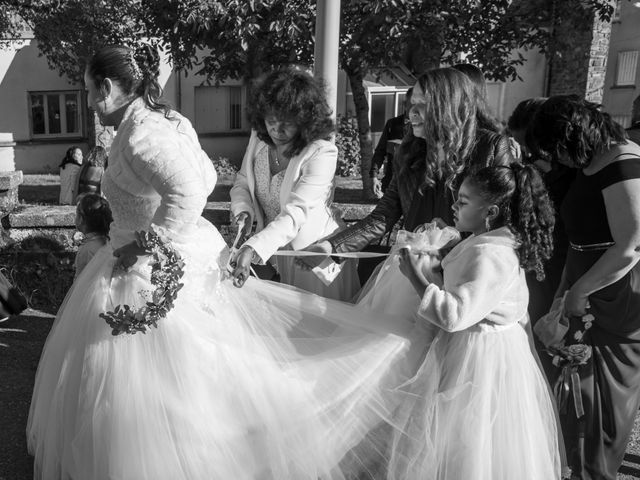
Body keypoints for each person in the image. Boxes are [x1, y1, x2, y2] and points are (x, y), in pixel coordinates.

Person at [27, 44, 415, 480]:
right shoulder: (168, 120)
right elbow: (218, 180)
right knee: (197, 369)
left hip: (160, 263)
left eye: (87, 92)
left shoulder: (143, 133)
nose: (87, 103)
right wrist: (241, 212)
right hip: (170, 252)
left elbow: (192, 193)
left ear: (106, 87)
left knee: (166, 376)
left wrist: (148, 243)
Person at [390, 164, 562, 479]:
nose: (454, 206)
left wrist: (416, 276)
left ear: (491, 211)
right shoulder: (485, 242)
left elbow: (454, 316)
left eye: (464, 201)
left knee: (471, 440)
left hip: (480, 360)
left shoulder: (491, 255)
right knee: (458, 438)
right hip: (474, 347)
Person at [300, 67, 514, 284]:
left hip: (467, 275)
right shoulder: (409, 152)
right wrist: (330, 246)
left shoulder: (491, 148)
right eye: (413, 103)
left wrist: (453, 243)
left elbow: (499, 222)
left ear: (450, 105)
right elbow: (383, 216)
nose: (412, 113)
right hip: (412, 274)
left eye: (424, 104)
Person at [528, 94, 640, 479]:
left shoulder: (624, 165)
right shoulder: (593, 163)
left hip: (611, 293)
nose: (556, 159)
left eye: (557, 149)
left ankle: (593, 471)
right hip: (583, 281)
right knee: (571, 389)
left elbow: (631, 245)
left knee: (596, 397)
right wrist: (565, 287)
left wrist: (579, 291)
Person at [229, 67, 359, 301]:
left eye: (287, 123)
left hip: (312, 257)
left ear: (305, 119)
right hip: (272, 255)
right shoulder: (258, 140)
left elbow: (296, 212)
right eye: (271, 120)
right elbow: (242, 182)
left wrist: (252, 247)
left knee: (314, 332)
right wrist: (243, 211)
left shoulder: (321, 152)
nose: (276, 130)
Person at [507, 97, 576, 323]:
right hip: (535, 257)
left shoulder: (570, 170)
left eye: (530, 147)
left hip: (559, 260)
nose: (526, 152)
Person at [370, 88, 412, 195]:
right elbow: (380, 151)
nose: (414, 109)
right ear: (404, 103)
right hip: (391, 182)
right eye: (411, 104)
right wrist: (374, 176)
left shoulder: (427, 127)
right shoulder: (392, 124)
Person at [73, 193, 112, 278]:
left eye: (77, 215)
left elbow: (79, 279)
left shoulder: (86, 250)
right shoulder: (108, 242)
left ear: (81, 220)